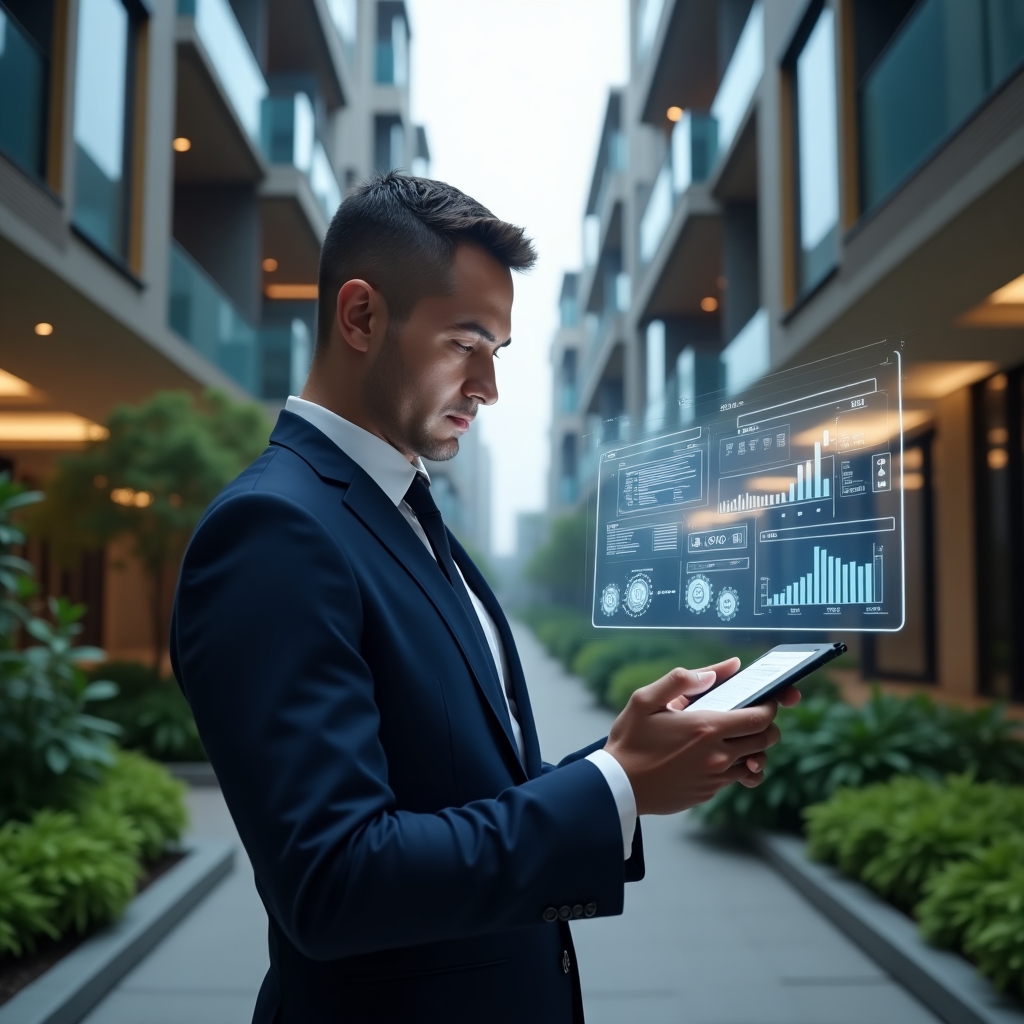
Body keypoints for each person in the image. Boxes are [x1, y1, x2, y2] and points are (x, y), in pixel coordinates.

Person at [170, 172, 798, 1024]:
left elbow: (457, 796)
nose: (488, 388)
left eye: (497, 354)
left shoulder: (403, 508)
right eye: (466, 345)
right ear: (361, 316)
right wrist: (614, 785)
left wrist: (628, 758)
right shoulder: (274, 531)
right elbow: (334, 879)